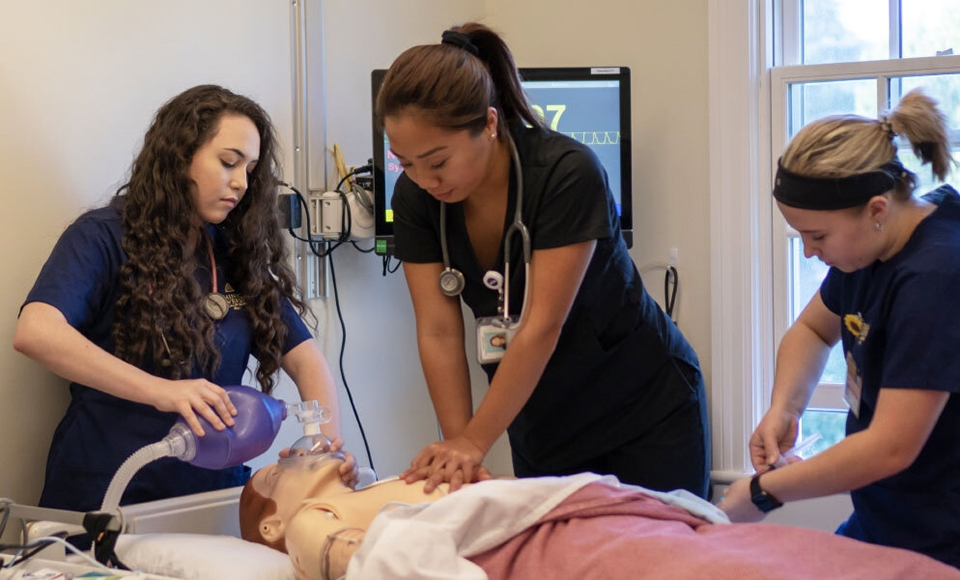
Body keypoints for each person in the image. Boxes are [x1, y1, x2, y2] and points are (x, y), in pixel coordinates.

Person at [375, 22, 710, 498]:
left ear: (489, 125)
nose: (424, 179)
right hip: (541, 417)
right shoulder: (416, 198)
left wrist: (474, 440)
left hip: (643, 407)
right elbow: (438, 329)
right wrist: (459, 451)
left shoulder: (567, 174)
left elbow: (539, 326)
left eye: (438, 161)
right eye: (405, 162)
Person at [13, 84, 356, 514]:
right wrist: (164, 392)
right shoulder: (104, 237)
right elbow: (37, 332)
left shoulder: (237, 256)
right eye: (228, 162)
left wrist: (324, 452)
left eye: (250, 169)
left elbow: (307, 360)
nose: (240, 182)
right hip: (106, 497)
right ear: (179, 156)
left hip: (213, 501)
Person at [718, 89, 960, 569]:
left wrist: (762, 493)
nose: (809, 252)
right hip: (886, 517)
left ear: (875, 210)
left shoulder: (935, 277)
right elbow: (811, 329)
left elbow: (891, 446)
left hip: (942, 537)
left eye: (818, 236)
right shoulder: (873, 249)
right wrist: (784, 408)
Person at [239, 453, 960, 580]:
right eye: (279, 471)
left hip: (614, 524)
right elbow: (376, 566)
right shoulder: (317, 525)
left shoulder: (382, 484)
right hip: (559, 557)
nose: (308, 454)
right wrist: (319, 537)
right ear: (275, 521)